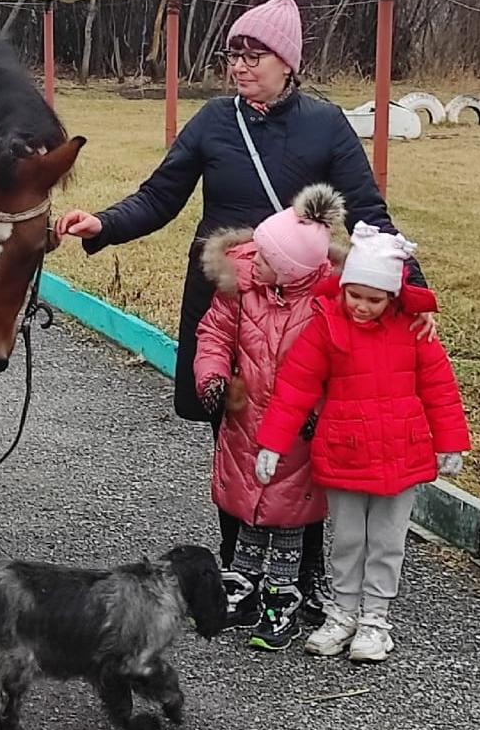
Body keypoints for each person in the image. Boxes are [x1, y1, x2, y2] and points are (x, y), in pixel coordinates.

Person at [56, 0, 436, 621]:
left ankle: (306, 571)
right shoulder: (212, 121)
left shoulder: (325, 124)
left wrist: (413, 293)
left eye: (253, 53)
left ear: (287, 61)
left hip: (307, 313)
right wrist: (104, 224)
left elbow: (369, 213)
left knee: (306, 433)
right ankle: (239, 568)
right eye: (234, 53)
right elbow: (160, 196)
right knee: (233, 431)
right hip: (227, 305)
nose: (240, 64)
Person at [256, 223, 470, 663]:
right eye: (355, 295)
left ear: (393, 296)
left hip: (401, 453)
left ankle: (376, 619)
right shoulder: (325, 327)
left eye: (375, 300)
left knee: (388, 542)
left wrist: (451, 443)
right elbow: (295, 388)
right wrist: (272, 444)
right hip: (345, 451)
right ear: (345, 287)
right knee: (348, 540)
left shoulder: (415, 330)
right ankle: (342, 613)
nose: (362, 307)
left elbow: (439, 388)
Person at [193, 185, 345, 651]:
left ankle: (284, 594)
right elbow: (214, 333)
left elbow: (344, 364)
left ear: (290, 268)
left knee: (288, 519)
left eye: (264, 256)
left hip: (299, 434)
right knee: (247, 508)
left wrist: (320, 414)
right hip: (245, 421)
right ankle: (242, 586)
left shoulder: (327, 302)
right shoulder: (243, 288)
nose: (252, 259)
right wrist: (213, 379)